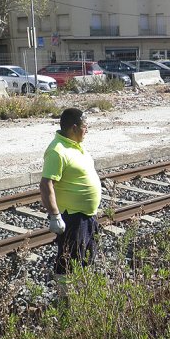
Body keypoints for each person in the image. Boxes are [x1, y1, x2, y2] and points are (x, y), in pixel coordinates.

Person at [39, 108, 102, 281]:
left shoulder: (76, 146)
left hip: (88, 216)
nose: (87, 130)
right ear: (74, 128)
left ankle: (80, 296)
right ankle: (66, 300)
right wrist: (54, 216)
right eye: (85, 126)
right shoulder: (57, 151)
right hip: (72, 217)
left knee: (85, 259)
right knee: (68, 262)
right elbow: (46, 184)